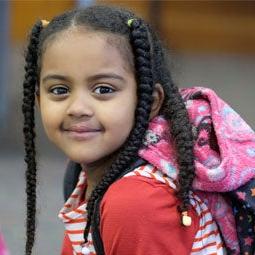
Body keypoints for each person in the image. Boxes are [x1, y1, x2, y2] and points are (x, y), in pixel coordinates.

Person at [22, 5, 255, 255]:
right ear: (38, 99)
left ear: (149, 101)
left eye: (103, 89)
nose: (77, 108)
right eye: (59, 90)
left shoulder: (136, 203)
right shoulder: (84, 173)